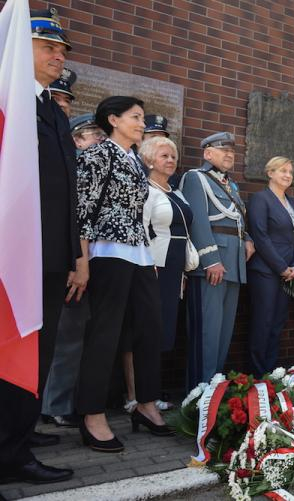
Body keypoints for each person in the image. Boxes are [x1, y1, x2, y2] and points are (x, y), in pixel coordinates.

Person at [0, 9, 80, 484]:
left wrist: (72, 256)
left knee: (38, 353)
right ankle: (10, 452)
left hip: (49, 256)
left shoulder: (50, 109)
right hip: (14, 259)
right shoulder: (10, 105)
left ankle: (17, 439)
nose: (58, 56)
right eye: (48, 47)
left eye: (62, 51)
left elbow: (64, 191)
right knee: (12, 352)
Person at [74, 96, 173, 454]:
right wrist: (81, 261)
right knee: (105, 333)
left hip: (140, 253)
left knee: (149, 328)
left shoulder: (134, 159)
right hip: (108, 251)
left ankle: (146, 405)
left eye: (142, 117)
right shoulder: (97, 154)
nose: (141, 122)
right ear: (113, 120)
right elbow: (82, 210)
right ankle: (92, 414)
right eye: (135, 117)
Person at [41, 113, 104, 429]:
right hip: (74, 262)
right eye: (92, 134)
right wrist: (77, 262)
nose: (99, 139)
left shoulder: (94, 167)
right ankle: (55, 405)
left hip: (95, 262)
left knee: (79, 336)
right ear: (76, 140)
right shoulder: (76, 169)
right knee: (67, 338)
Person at [180, 132, 254, 388]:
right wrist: (210, 259)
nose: (229, 155)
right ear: (207, 153)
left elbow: (237, 220)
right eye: (223, 150)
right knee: (206, 334)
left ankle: (213, 391)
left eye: (232, 151)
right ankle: (198, 393)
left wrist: (248, 238)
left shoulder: (230, 186)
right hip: (213, 265)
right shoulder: (196, 178)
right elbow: (197, 220)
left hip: (233, 264)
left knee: (223, 334)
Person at [141, 137, 192, 401]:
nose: (170, 161)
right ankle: (143, 394)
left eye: (173, 156)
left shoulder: (177, 192)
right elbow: (143, 228)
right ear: (149, 160)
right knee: (152, 328)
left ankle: (155, 391)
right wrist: (149, 264)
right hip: (155, 266)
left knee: (167, 328)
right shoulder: (146, 190)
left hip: (174, 266)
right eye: (164, 156)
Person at [247, 157, 294, 377]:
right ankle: (256, 375)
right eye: (282, 170)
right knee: (263, 323)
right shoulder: (260, 199)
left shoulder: (293, 203)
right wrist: (281, 267)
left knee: (278, 323)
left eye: (290, 171)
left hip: (287, 273)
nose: (288, 175)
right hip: (265, 271)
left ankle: (270, 374)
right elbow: (260, 237)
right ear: (270, 173)